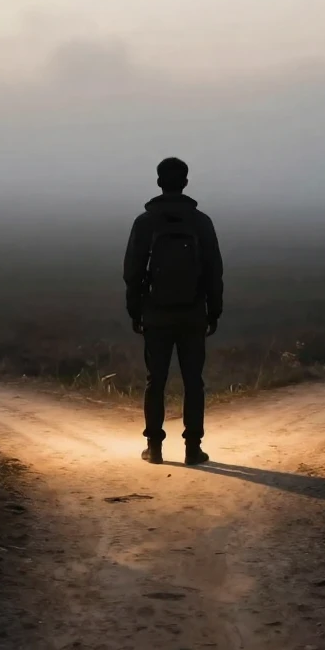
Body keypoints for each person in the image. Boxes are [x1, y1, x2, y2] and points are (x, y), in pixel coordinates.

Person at [123, 157, 223, 465]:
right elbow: (214, 271)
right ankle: (193, 448)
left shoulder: (145, 222)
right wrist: (213, 311)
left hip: (156, 313)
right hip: (193, 312)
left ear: (158, 182)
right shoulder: (201, 221)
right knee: (194, 381)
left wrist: (135, 312)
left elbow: (132, 272)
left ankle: (154, 447)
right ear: (186, 182)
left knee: (157, 380)